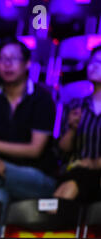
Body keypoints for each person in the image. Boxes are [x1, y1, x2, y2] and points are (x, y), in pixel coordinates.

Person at [0, 37, 58, 217]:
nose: (7, 64)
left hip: (39, 179)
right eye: (2, 59)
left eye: (13, 58)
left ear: (27, 63)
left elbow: (35, 150)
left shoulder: (42, 98)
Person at [53, 45, 101, 202]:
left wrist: (93, 163)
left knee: (72, 186)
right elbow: (63, 149)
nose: (94, 66)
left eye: (100, 62)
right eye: (92, 62)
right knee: (70, 182)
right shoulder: (76, 105)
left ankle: (52, 224)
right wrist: (72, 129)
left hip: (93, 174)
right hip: (75, 171)